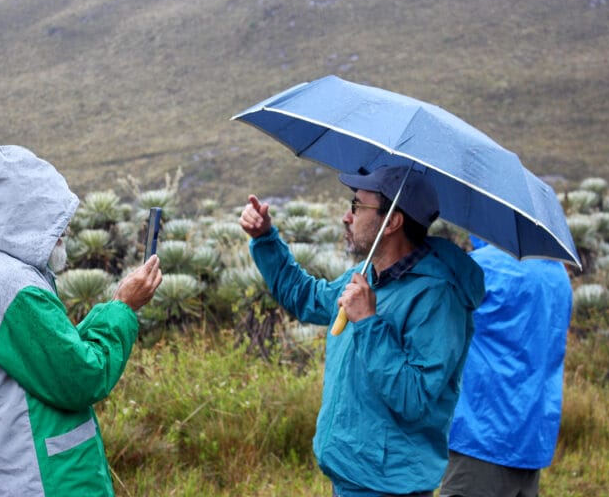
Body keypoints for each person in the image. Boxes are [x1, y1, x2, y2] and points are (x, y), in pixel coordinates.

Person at [239, 166, 486, 497]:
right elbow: (307, 299)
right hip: (352, 476)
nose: (346, 216)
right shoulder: (367, 274)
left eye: (357, 206)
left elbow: (415, 399)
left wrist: (368, 322)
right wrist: (265, 239)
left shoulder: (438, 297)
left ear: (393, 221)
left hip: (388, 485)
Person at [0, 144, 162, 496]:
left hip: (7, 471)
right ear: (24, 218)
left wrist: (115, 307)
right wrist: (123, 306)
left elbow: (53, 357)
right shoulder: (12, 286)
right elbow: (81, 376)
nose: (62, 232)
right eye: (53, 221)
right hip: (37, 478)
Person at [439, 236, 573, 497]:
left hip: (482, 435)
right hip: (533, 438)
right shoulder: (558, 274)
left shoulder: (483, 267)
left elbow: (434, 321)